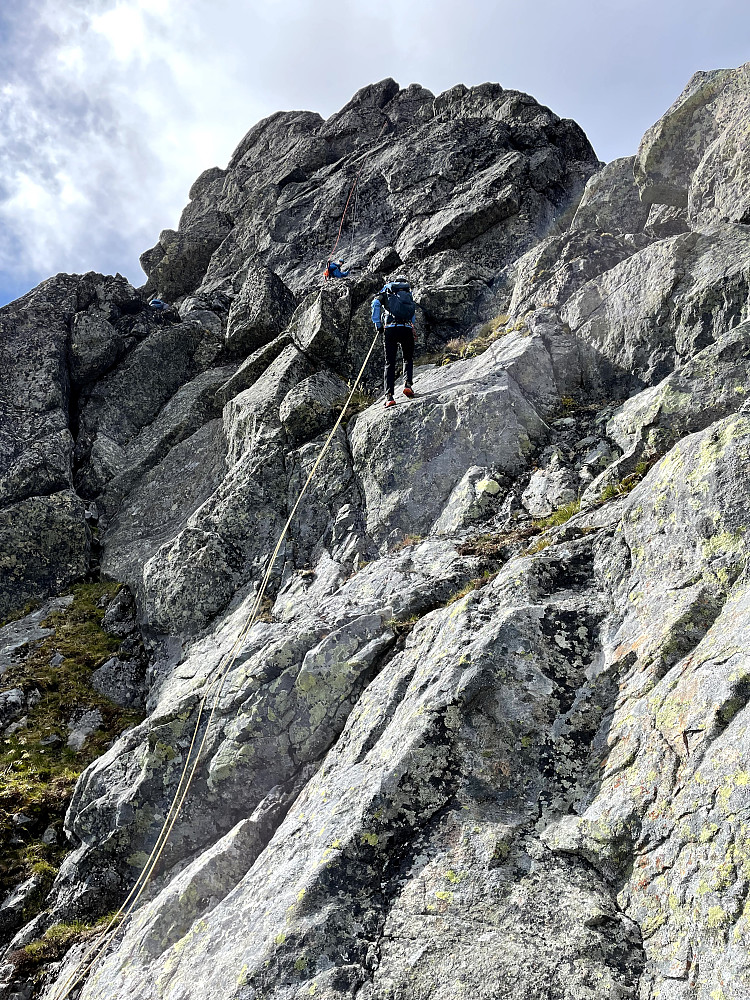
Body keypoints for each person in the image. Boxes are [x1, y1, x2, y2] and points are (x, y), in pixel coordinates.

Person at [371, 276, 417, 408]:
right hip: (406, 328)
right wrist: (411, 325)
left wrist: (378, 324)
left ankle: (389, 397)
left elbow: (375, 304)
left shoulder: (387, 291)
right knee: (408, 358)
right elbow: (411, 312)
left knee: (389, 363)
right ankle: (408, 385)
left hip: (390, 329)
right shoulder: (408, 293)